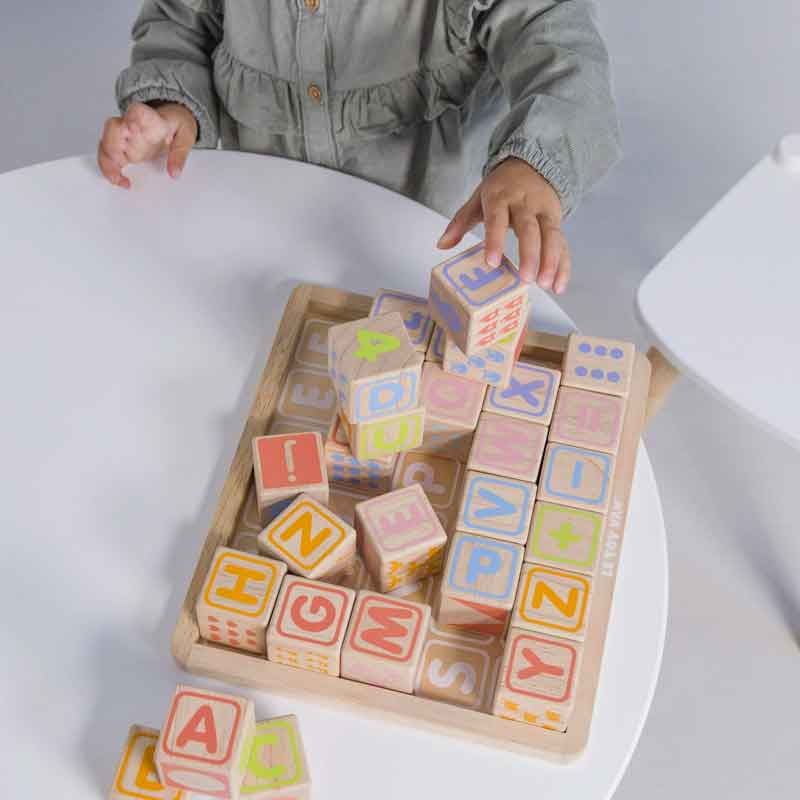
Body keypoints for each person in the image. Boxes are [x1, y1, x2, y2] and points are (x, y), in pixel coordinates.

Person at [99, 1, 620, 294]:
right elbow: (180, 20)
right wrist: (173, 108)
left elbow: (560, 47)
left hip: (403, 238)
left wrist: (534, 166)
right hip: (251, 218)